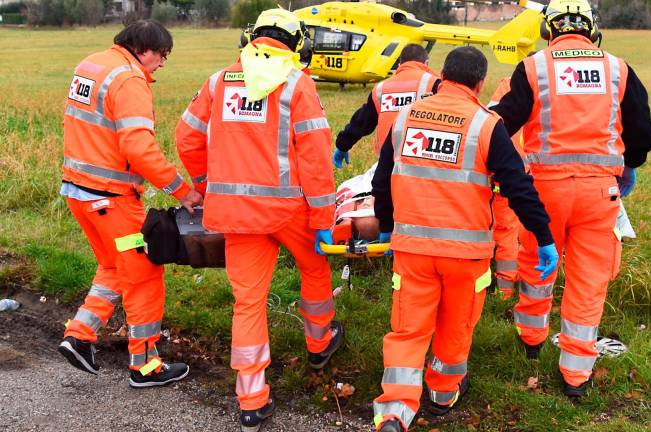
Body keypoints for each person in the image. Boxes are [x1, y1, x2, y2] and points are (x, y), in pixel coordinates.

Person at [370, 46, 558, 432]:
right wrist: (543, 236)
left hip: (413, 250)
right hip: (466, 254)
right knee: (456, 325)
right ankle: (443, 391)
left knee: (408, 329)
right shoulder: (486, 124)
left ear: (442, 73)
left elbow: (380, 181)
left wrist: (389, 227)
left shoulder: (405, 118)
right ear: (480, 82)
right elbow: (519, 187)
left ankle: (395, 411)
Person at [175, 9, 343, 430]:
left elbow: (187, 136)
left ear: (252, 38)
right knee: (315, 269)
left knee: (248, 303)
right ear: (297, 43)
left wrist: (203, 180)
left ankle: (251, 399)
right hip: (290, 211)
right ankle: (319, 343)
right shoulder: (297, 84)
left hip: (235, 213)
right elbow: (317, 159)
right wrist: (323, 215)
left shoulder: (218, 81)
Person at [490, 0, 651, 397]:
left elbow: (501, 125)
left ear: (549, 30)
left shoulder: (534, 67)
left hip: (544, 191)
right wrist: (628, 165)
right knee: (588, 280)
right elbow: (642, 133)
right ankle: (576, 376)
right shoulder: (618, 68)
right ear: (592, 29)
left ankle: (531, 340)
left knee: (536, 263)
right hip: (601, 193)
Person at [57, 20, 203, 387]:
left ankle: (79, 335)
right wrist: (182, 191)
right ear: (143, 49)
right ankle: (145, 364)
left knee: (113, 265)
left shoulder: (91, 65)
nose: (162, 63)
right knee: (145, 273)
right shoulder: (129, 80)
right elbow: (138, 148)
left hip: (80, 195)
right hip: (112, 200)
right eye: (161, 55)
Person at [334, 44, 440, 167]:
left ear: (400, 64)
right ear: (426, 63)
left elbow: (362, 121)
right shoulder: (435, 84)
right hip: (423, 160)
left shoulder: (381, 88)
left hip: (387, 162)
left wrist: (343, 145)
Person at [488, 77, 527, 299]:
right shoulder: (556, 82)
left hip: (507, 173)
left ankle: (503, 291)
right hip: (549, 176)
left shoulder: (509, 84)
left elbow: (492, 123)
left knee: (504, 230)